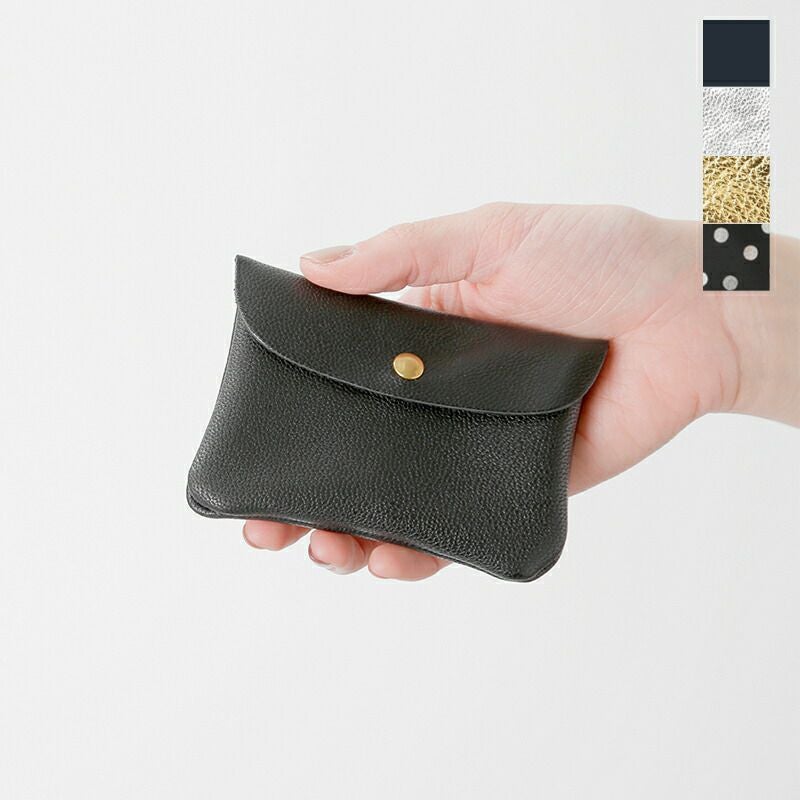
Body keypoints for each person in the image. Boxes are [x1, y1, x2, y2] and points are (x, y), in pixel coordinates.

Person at [241, 203, 800, 579]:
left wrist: (719, 315)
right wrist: (721, 315)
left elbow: (737, 72)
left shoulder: (735, 57)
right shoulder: (736, 57)